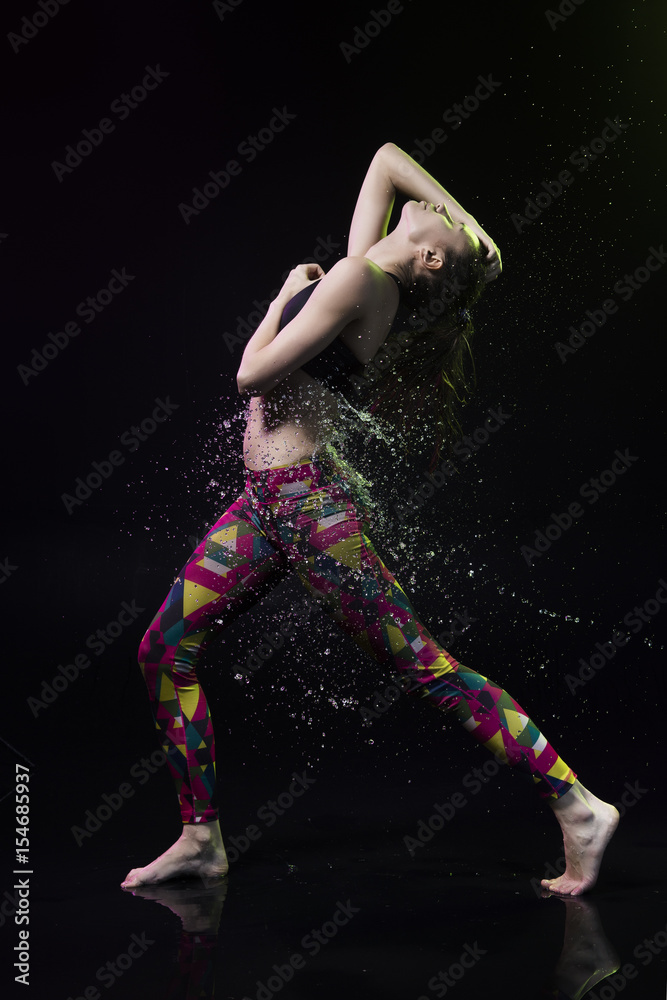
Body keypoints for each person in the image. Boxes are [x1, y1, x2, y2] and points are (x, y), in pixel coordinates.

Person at [121, 143, 618, 893]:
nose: (432, 203)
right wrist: (472, 234)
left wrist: (275, 299)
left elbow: (248, 375)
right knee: (165, 650)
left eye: (439, 220)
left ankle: (576, 804)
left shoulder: (361, 279)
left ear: (428, 258)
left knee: (425, 666)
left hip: (305, 508)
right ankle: (201, 837)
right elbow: (387, 160)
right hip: (266, 505)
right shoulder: (370, 275)